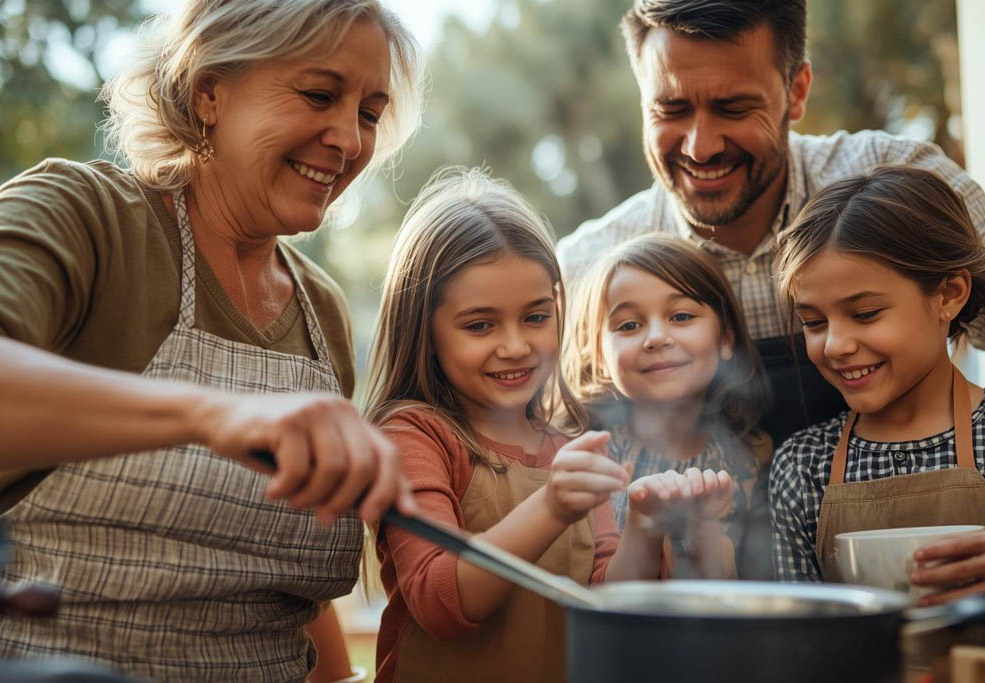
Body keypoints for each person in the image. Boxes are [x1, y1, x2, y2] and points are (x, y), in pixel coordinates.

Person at [0, 1, 424, 680]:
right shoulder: (87, 217)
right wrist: (214, 413)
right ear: (209, 91)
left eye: (369, 113)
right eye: (319, 95)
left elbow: (277, 589)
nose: (350, 140)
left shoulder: (321, 311)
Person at [556, 0, 985, 445]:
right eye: (671, 109)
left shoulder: (903, 185)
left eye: (733, 108)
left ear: (797, 91)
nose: (701, 148)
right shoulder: (586, 269)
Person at [364, 168, 734, 682]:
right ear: (424, 331)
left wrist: (644, 530)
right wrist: (552, 507)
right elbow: (441, 602)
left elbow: (603, 602)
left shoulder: (569, 447)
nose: (516, 346)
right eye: (480, 325)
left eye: (535, 317)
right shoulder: (413, 437)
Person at [770, 166, 985, 603]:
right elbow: (802, 633)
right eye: (813, 322)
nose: (836, 345)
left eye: (865, 314)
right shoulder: (801, 467)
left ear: (949, 294)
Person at [565, 233, 774, 579]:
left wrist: (705, 531)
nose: (657, 337)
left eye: (681, 316)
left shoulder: (749, 459)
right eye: (629, 325)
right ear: (598, 355)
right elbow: (596, 593)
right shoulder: (585, 457)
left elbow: (741, 589)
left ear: (725, 338)